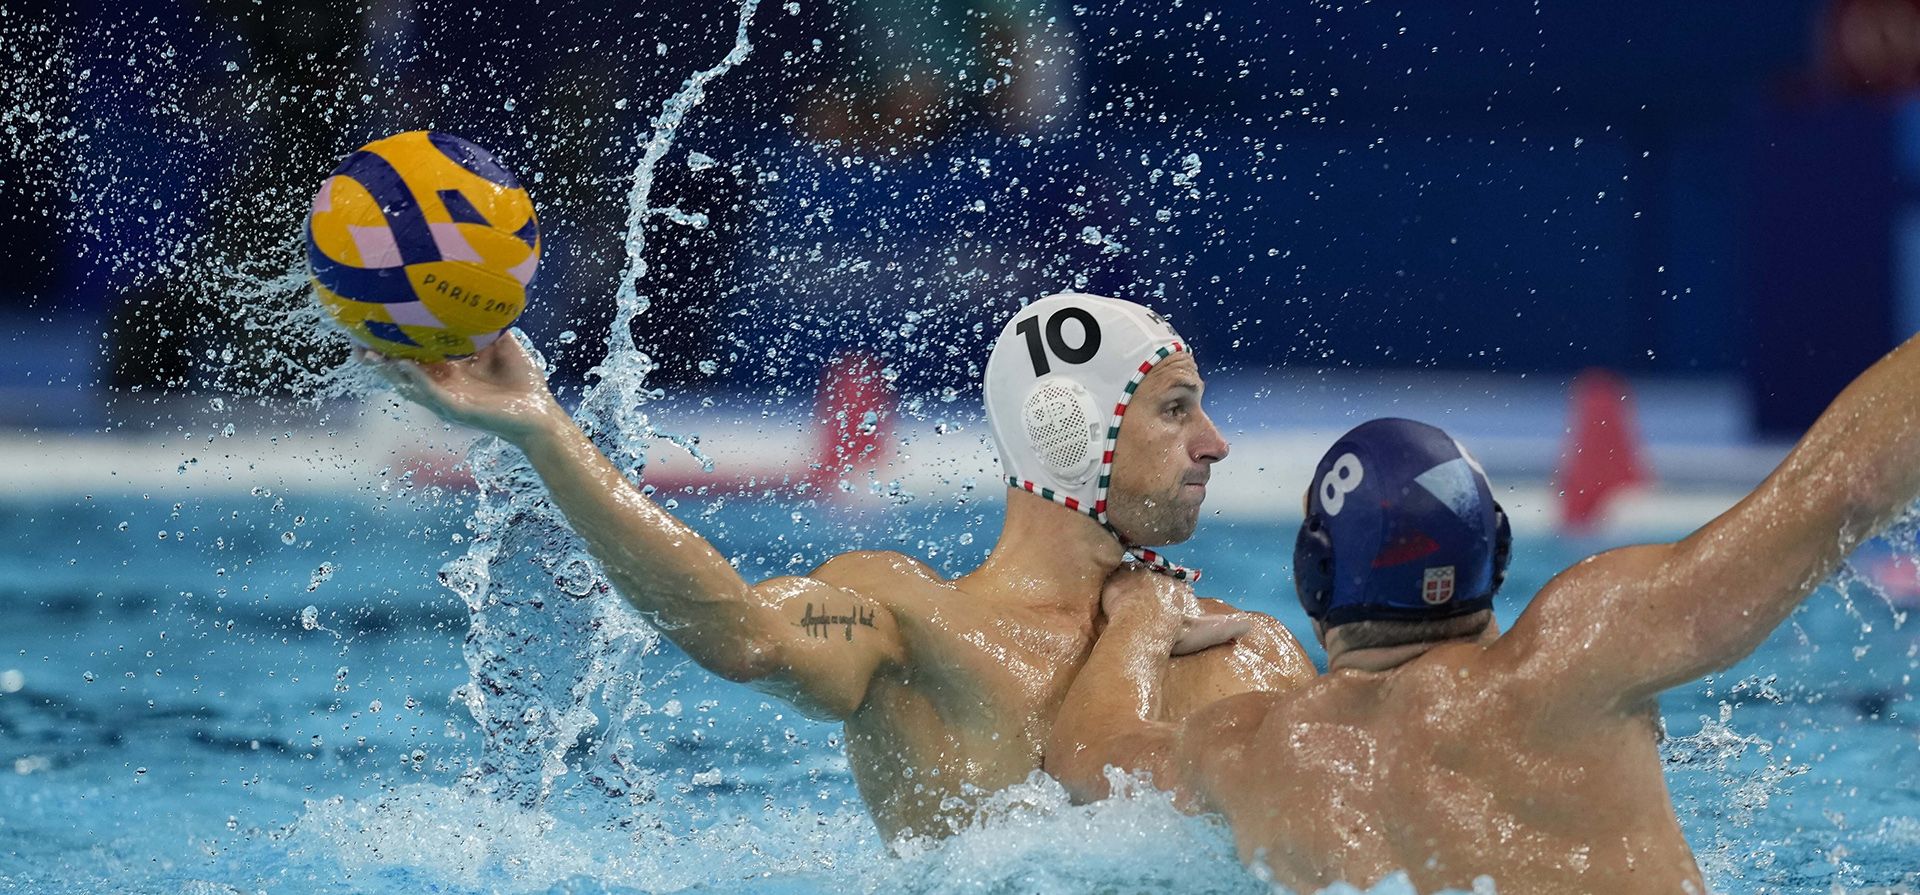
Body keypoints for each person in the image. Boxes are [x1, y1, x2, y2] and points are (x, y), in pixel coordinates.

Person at [362, 291, 1317, 840]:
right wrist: (543, 429)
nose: (1217, 444)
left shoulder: (1250, 650)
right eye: (1177, 407)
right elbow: (740, 633)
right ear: (1073, 428)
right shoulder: (905, 620)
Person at [1047, 332, 1920, 893]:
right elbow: (1846, 483)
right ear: (1496, 555)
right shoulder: (1581, 650)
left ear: (1315, 581)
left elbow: (1088, 757)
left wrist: (1139, 613)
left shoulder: (1252, 752)